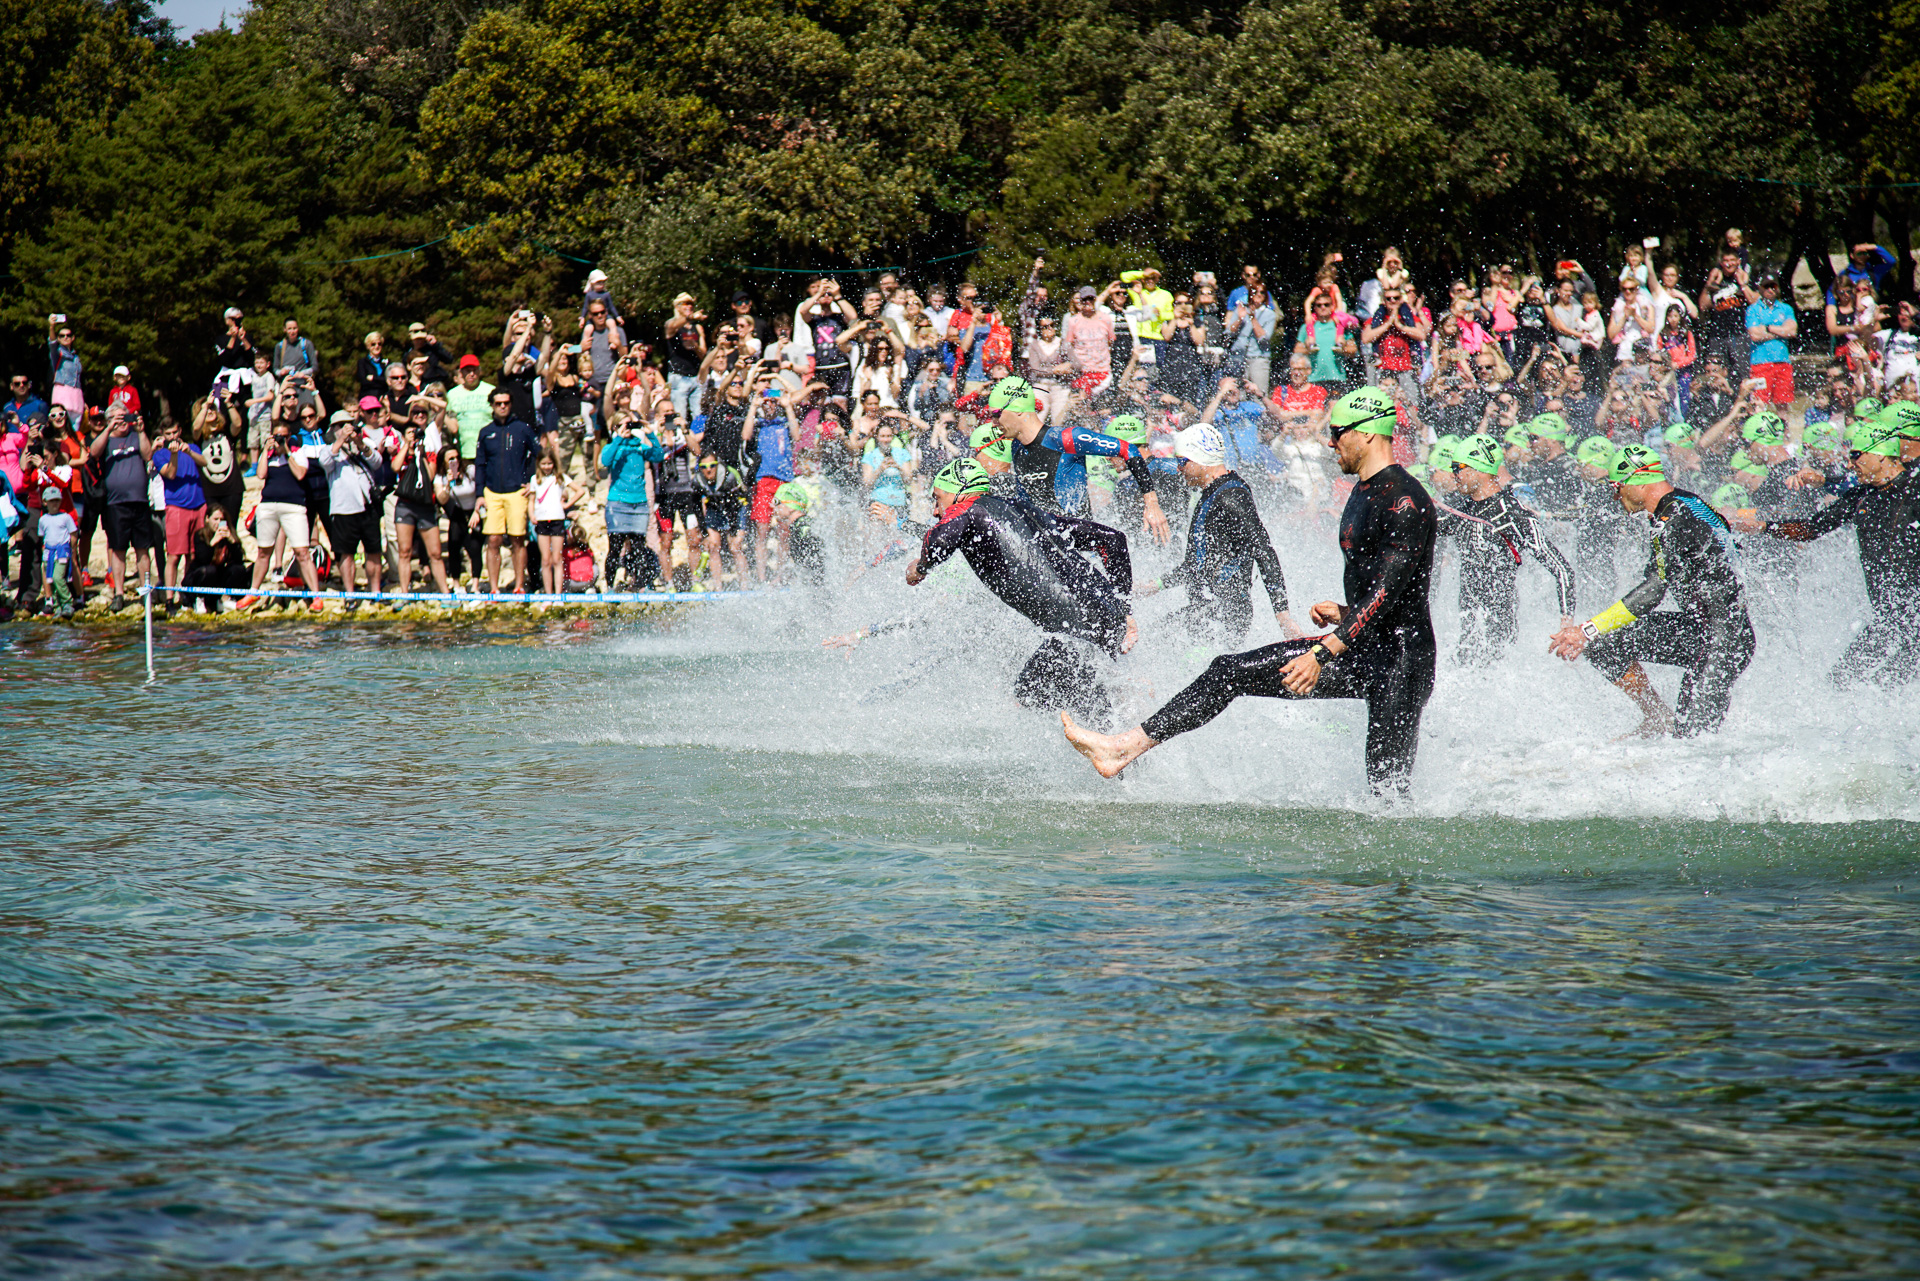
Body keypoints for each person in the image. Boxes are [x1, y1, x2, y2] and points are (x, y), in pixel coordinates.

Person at [1062, 387, 1438, 797]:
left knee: (1387, 791)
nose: (1330, 442)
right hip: (1360, 645)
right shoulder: (1362, 492)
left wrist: (1323, 650)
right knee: (1228, 671)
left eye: (1338, 432)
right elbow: (1387, 595)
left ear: (1367, 433)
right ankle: (1122, 749)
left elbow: (1388, 592)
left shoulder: (1404, 501)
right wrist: (1345, 611)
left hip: (1402, 662)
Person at [903, 457, 1137, 720]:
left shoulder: (968, 508)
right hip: (1108, 620)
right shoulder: (1025, 510)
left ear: (958, 491)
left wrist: (921, 567)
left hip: (1074, 633)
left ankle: (1120, 741)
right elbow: (1113, 541)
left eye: (938, 498)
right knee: (1083, 705)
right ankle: (1125, 731)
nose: (936, 510)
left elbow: (941, 539)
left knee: (1030, 694)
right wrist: (1125, 612)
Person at [1548, 445, 1754, 738]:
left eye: (1617, 487)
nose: (1615, 496)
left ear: (1638, 479)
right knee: (1604, 645)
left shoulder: (1676, 515)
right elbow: (1657, 575)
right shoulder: (1678, 506)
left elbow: (1655, 590)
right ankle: (1656, 715)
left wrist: (1585, 629)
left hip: (1725, 640)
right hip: (1699, 630)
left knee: (1692, 742)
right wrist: (1593, 633)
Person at [1732, 415, 1918, 686]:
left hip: (1914, 617)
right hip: (1887, 618)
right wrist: (1762, 527)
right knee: (1839, 682)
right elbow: (1811, 529)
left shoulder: (1914, 489)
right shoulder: (1861, 495)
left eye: (1857, 454)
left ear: (1881, 454)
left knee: (1890, 686)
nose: (1852, 462)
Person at [1140, 423, 1299, 644]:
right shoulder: (1210, 493)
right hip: (1209, 610)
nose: (1178, 468)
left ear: (1199, 459)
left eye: (1181, 461)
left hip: (1227, 614)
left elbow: (1263, 550)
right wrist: (1154, 586)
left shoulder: (1232, 496)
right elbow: (1196, 564)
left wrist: (1283, 617)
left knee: (1157, 640)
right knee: (1154, 636)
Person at [1435, 434, 1577, 665]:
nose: (1453, 475)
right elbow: (1417, 528)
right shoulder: (1461, 511)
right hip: (1469, 629)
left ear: (1478, 469)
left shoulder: (1513, 514)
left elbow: (1562, 570)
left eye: (1457, 467)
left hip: (1500, 631)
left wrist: (1566, 623)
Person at [988, 376, 1171, 543]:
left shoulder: (1065, 438)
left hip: (1081, 547)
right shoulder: (1017, 447)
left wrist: (1152, 503)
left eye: (996, 414)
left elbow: (1128, 449)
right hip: (1044, 546)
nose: (993, 422)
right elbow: (1026, 500)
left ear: (1018, 411)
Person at [237, 422, 324, 612]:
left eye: (282, 436)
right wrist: (266, 451)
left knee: (302, 552)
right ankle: (253, 591)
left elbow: (300, 473)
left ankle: (316, 595)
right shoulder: (268, 456)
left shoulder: (297, 452)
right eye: (276, 436)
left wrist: (286, 451)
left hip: (294, 507)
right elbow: (260, 474)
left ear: (289, 436)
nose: (278, 440)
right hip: (268, 505)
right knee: (263, 552)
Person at [86, 407, 153, 611]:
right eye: (117, 417)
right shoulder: (106, 439)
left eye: (125, 416)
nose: (122, 421)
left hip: (139, 501)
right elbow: (94, 452)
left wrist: (141, 431)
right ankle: (119, 594)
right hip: (115, 503)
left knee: (142, 548)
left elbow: (148, 455)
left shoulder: (136, 436)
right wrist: (108, 428)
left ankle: (145, 592)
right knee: (118, 550)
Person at [474, 388, 540, 594]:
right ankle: (494, 588)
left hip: (517, 492)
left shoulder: (523, 428)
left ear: (510, 404)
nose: (502, 406)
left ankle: (519, 585)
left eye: (506, 403)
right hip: (492, 492)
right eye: (498, 403)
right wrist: (479, 495)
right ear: (492, 405)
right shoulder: (485, 432)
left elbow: (539, 455)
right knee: (493, 539)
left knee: (517, 539)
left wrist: (531, 481)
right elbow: (480, 465)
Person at [314, 412, 385, 600]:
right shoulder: (328, 449)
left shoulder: (363, 445)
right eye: (340, 426)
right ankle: (350, 594)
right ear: (333, 430)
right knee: (346, 554)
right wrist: (341, 440)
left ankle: (375, 592)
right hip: (344, 510)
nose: (345, 428)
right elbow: (325, 462)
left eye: (348, 424)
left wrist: (359, 442)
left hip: (368, 507)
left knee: (373, 551)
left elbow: (377, 462)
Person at [151, 419, 210, 613]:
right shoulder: (160, 455)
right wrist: (174, 454)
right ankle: (169, 598)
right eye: (168, 434)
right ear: (163, 435)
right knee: (174, 556)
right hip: (177, 508)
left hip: (198, 505)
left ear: (180, 431)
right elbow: (171, 474)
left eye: (175, 432)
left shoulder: (191, 446)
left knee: (194, 554)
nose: (172, 437)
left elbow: (204, 462)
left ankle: (188, 593)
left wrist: (189, 452)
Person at [600, 419, 663, 591]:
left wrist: (650, 433)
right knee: (615, 547)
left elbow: (658, 455)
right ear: (615, 428)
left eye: (629, 425)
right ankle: (610, 587)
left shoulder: (639, 446)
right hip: (618, 504)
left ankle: (640, 584)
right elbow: (605, 461)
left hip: (639, 504)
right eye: (623, 425)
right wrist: (619, 438)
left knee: (639, 549)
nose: (627, 429)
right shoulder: (613, 446)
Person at [391, 420, 450, 599]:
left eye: (416, 434)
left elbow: (430, 475)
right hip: (405, 505)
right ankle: (405, 593)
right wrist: (407, 447)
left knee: (435, 553)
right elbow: (395, 467)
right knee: (404, 551)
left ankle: (445, 593)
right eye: (410, 433)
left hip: (425, 505)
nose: (414, 436)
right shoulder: (402, 452)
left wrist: (421, 454)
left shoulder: (427, 454)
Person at [529, 453, 584, 594]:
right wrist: (531, 515)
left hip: (557, 520)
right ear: (539, 465)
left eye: (549, 463)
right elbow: (531, 500)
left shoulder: (560, 478)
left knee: (557, 559)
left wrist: (566, 505)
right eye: (544, 464)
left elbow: (580, 490)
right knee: (545, 560)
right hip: (542, 521)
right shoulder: (535, 479)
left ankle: (558, 594)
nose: (547, 467)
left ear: (554, 464)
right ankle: (548, 594)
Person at [1744, 273, 1797, 406]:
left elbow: (1792, 331)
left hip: (1783, 362)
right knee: (1759, 402)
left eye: (1773, 286)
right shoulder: (1753, 309)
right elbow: (1754, 335)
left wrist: (1767, 328)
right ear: (1760, 288)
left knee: (1783, 403)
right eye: (1766, 287)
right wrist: (1781, 331)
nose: (1770, 290)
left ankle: (1784, 427)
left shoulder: (1786, 308)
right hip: (1760, 363)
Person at [446, 355, 494, 462]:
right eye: (468, 371)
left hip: (489, 451)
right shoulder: (452, 394)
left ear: (479, 371)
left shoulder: (490, 391)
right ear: (461, 373)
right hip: (463, 453)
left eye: (474, 370)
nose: (471, 374)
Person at [38, 486, 76, 617]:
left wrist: (72, 550)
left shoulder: (66, 517)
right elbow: (43, 536)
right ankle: (57, 605)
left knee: (58, 577)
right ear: (45, 502)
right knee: (50, 580)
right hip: (49, 553)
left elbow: (73, 534)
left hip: (62, 552)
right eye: (51, 501)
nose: (54, 504)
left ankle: (67, 602)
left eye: (57, 501)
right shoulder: (43, 520)